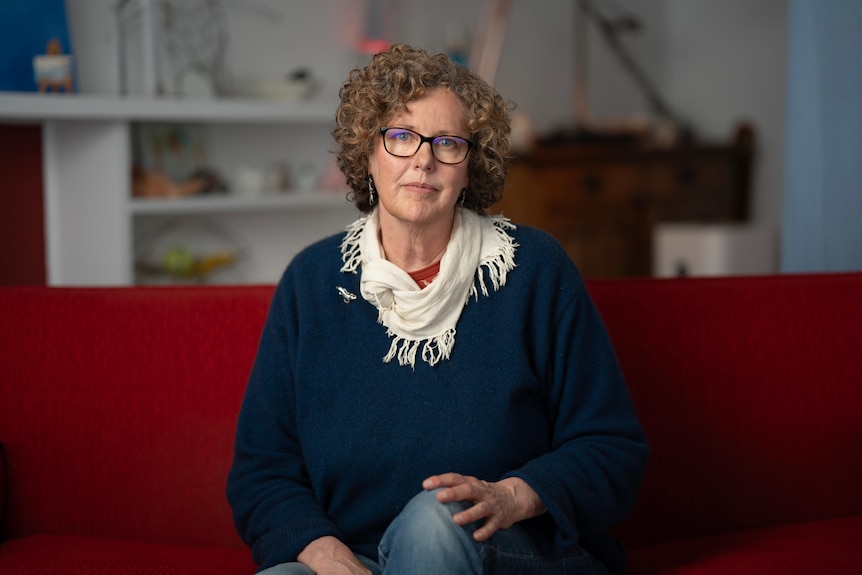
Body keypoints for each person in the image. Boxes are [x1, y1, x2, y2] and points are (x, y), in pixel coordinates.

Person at [227, 44, 648, 575]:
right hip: (352, 557)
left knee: (436, 522)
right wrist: (323, 552)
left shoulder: (535, 271)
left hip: (510, 552)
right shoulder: (310, 284)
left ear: (470, 167)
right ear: (368, 154)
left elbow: (612, 448)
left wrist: (512, 497)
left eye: (448, 143)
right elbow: (263, 471)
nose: (423, 159)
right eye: (401, 137)